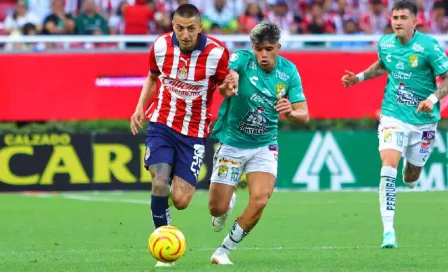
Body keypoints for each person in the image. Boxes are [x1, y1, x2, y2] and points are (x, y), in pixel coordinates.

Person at [129, 3, 232, 267]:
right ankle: (163, 246)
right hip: (161, 124)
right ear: (173, 25)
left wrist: (229, 88)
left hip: (194, 132)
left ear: (200, 28)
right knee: (160, 183)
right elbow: (153, 78)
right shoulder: (161, 46)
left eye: (190, 29)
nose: (185, 34)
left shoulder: (217, 53)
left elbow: (225, 83)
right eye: (179, 28)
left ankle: (225, 199)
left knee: (181, 200)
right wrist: (140, 107)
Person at [341, 0, 448, 249]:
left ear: (415, 21)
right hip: (393, 115)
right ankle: (388, 232)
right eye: (395, 17)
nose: (397, 22)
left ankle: (411, 170)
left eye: (403, 18)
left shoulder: (429, 46)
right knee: (388, 165)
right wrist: (358, 77)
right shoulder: (385, 43)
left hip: (423, 122)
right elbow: (382, 65)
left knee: (411, 176)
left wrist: (432, 99)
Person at [207, 21, 310, 265]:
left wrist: (290, 113)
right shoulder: (242, 59)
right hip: (232, 142)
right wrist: (227, 84)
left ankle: (223, 251)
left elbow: (303, 115)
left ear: (278, 47)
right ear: (253, 47)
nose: (263, 54)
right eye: (259, 49)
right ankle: (227, 203)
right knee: (216, 209)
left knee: (260, 200)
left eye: (269, 49)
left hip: (265, 145)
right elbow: (227, 75)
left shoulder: (289, 72)